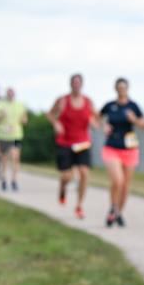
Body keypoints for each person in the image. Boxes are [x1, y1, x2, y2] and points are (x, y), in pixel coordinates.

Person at [47, 74, 100, 220]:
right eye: (74, 82)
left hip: (82, 142)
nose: (76, 85)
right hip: (64, 142)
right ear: (70, 84)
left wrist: (95, 123)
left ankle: (79, 206)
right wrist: (56, 123)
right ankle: (63, 188)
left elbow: (96, 118)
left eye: (79, 82)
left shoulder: (88, 102)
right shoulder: (62, 100)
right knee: (67, 176)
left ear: (82, 84)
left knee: (84, 173)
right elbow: (50, 114)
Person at [99, 78, 144, 227]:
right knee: (117, 180)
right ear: (115, 89)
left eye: (124, 87)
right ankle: (113, 207)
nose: (121, 90)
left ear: (127, 88)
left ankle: (118, 212)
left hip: (130, 149)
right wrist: (104, 126)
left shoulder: (133, 106)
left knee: (125, 184)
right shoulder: (109, 106)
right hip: (112, 146)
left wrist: (134, 120)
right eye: (119, 87)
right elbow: (96, 118)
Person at [0, 87, 28, 191]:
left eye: (12, 93)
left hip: (16, 135)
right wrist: (0, 116)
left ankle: (14, 181)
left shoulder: (20, 105)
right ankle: (3, 179)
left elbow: (25, 119)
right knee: (4, 159)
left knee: (15, 157)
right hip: (3, 136)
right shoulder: (0, 105)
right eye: (9, 93)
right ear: (6, 94)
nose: (11, 95)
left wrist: (23, 119)